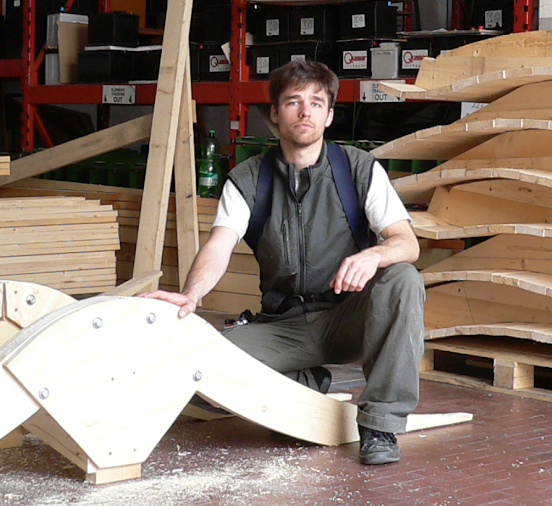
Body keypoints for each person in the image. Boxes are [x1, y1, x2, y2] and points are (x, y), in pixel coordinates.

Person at [144, 59, 424, 465]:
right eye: (293, 102)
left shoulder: (358, 169)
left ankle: (380, 425)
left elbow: (407, 243)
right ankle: (306, 380)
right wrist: (192, 295)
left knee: (403, 278)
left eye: (315, 102)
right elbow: (219, 245)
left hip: (350, 317)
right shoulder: (247, 178)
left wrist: (374, 254)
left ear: (329, 115)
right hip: (283, 326)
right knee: (200, 372)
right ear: (275, 114)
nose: (304, 111)